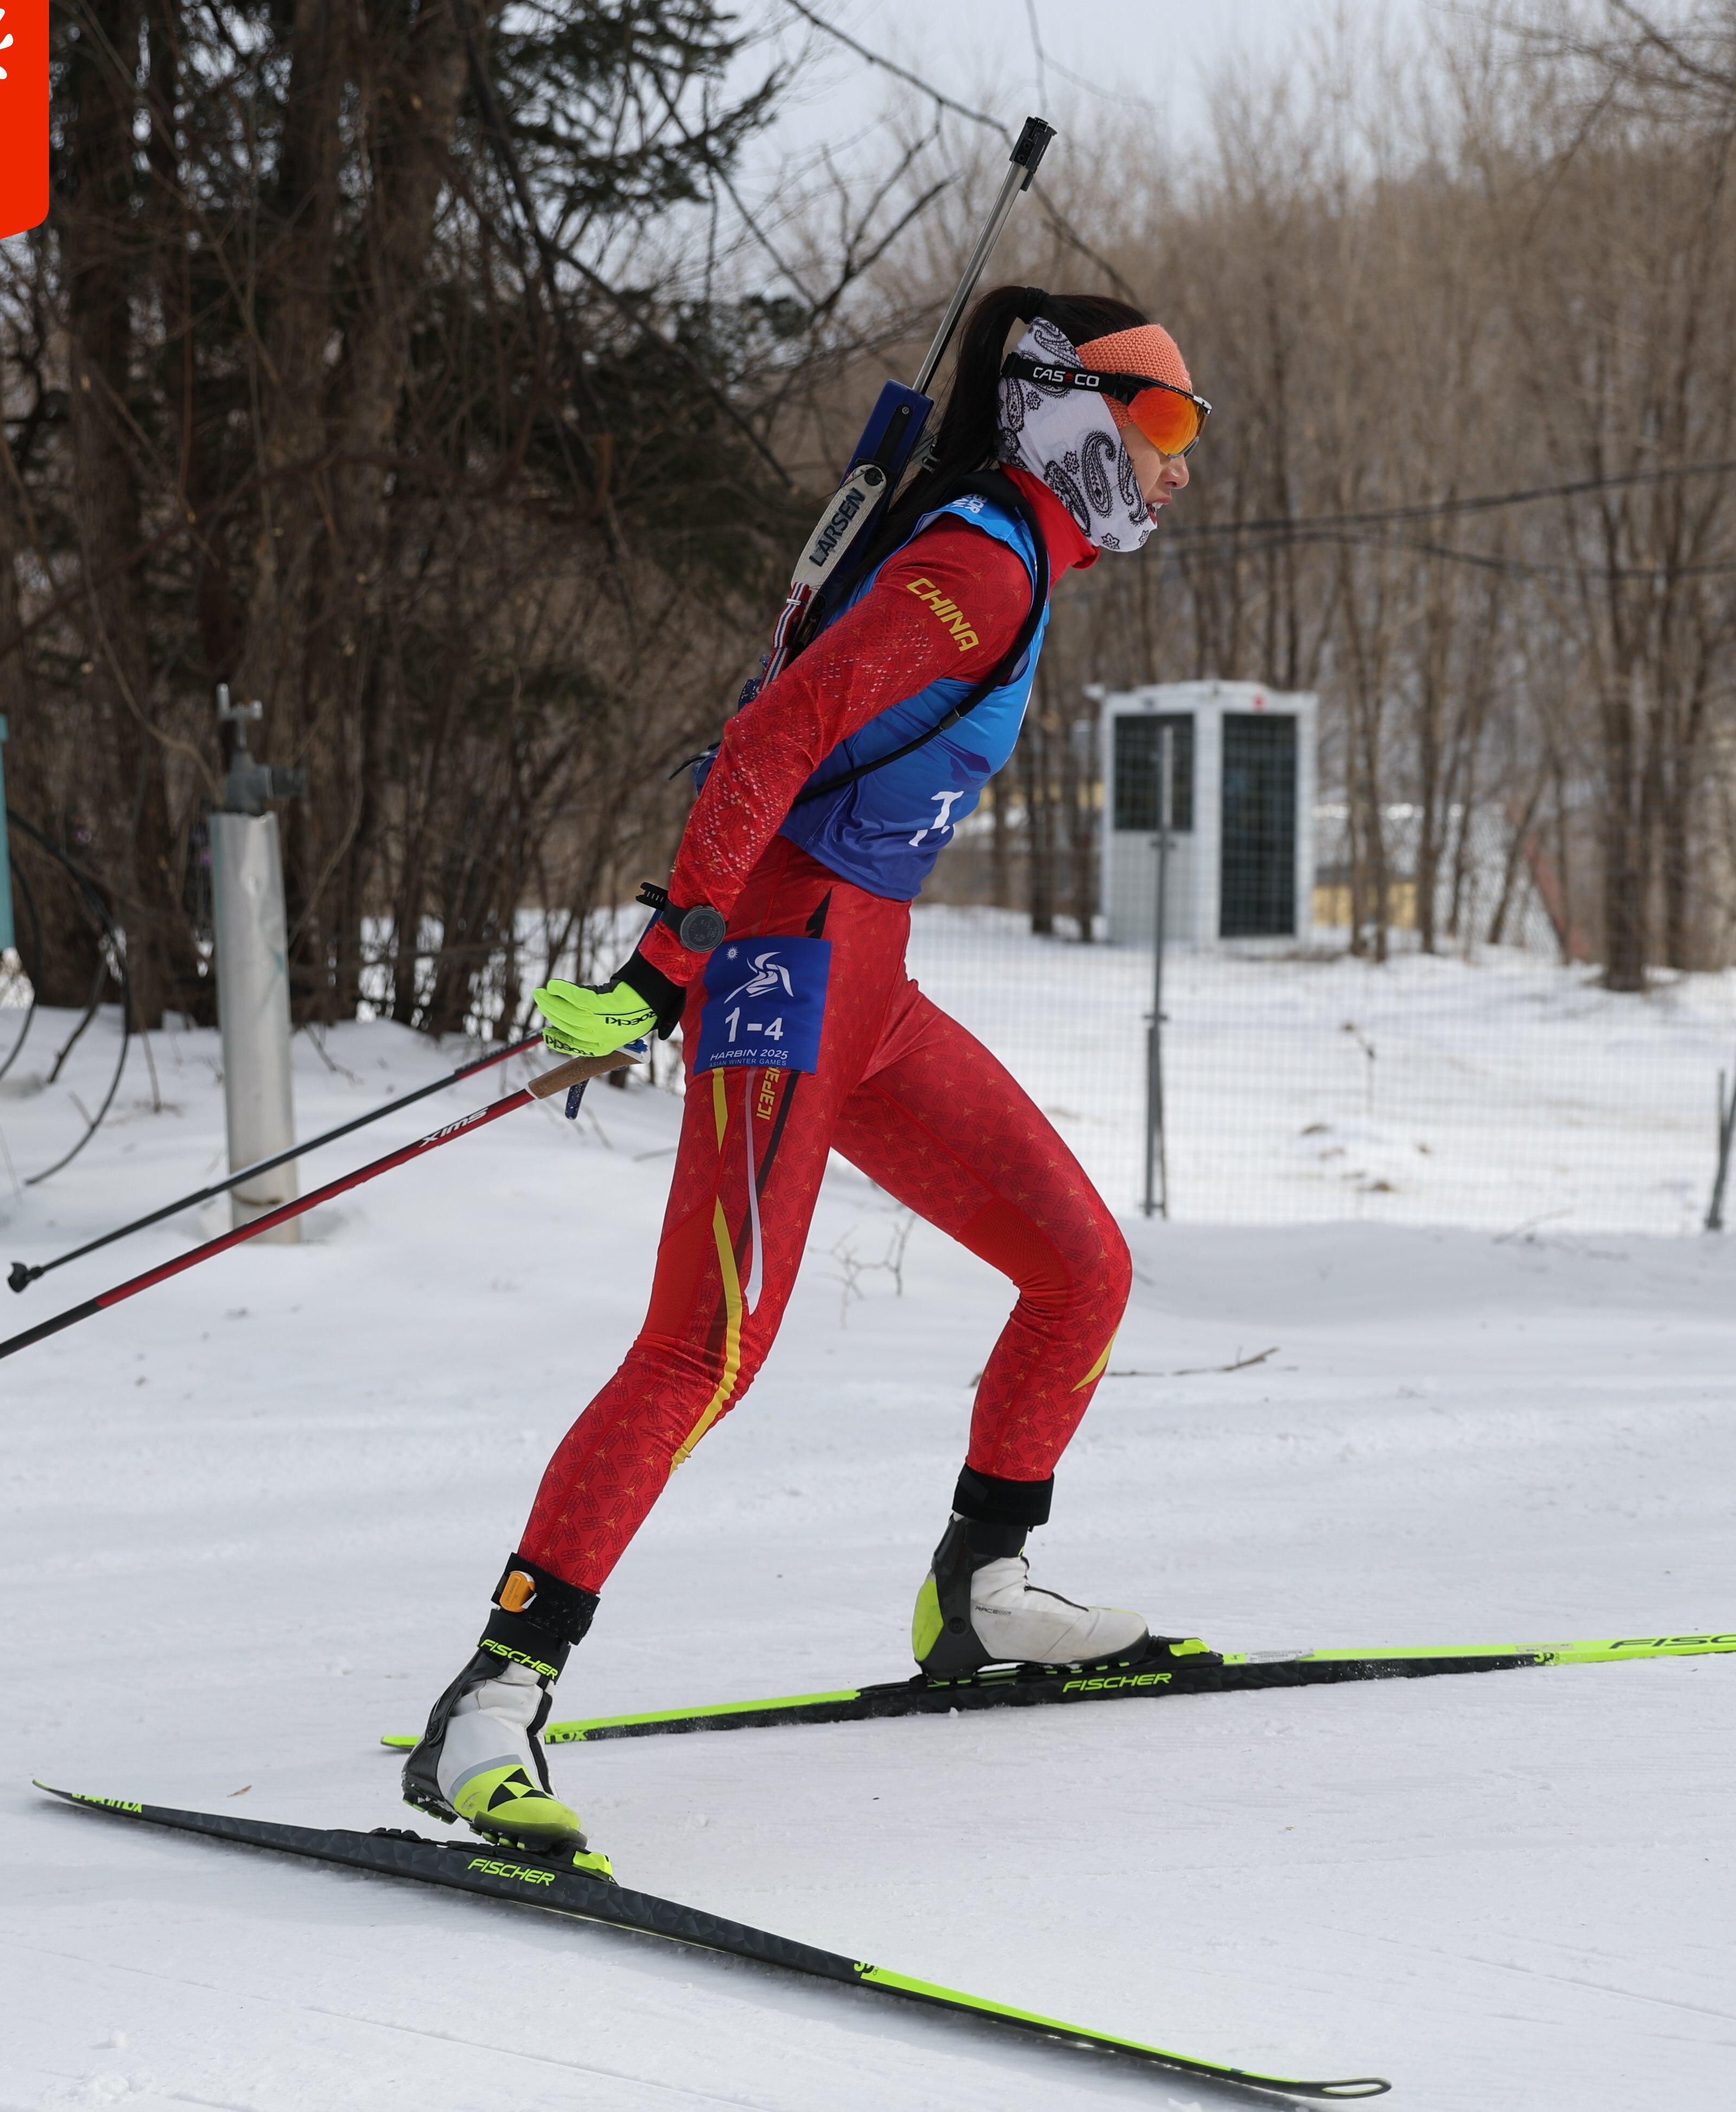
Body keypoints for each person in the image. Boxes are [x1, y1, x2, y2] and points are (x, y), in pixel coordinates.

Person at [400, 287, 1210, 1855]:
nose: (1178, 467)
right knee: (707, 1345)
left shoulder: (1018, 554)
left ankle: (982, 1592)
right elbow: (768, 743)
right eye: (1164, 424)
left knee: (1081, 1270)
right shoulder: (980, 566)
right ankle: (494, 1701)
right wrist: (669, 961)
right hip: (786, 966)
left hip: (868, 975)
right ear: (1074, 412)